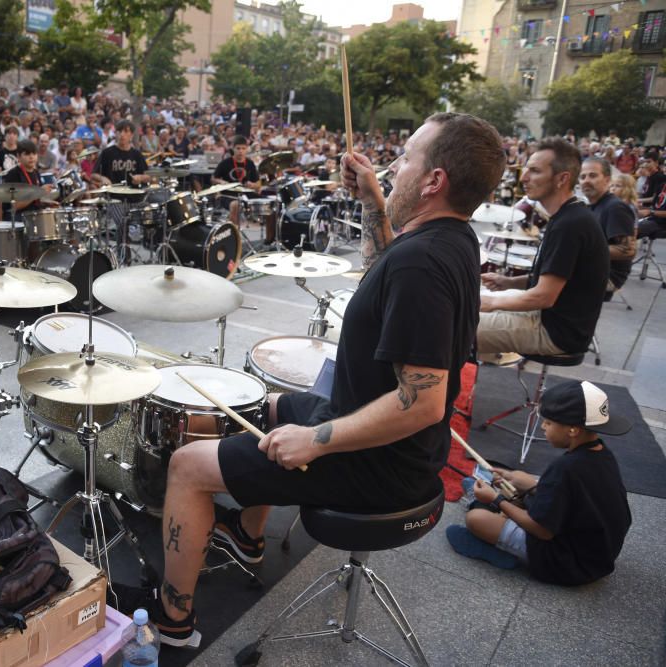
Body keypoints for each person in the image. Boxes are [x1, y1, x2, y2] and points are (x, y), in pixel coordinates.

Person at [149, 113, 505, 646]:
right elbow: (389, 267)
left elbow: (423, 404)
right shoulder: (449, 240)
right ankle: (248, 537)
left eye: (407, 157)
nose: (394, 166)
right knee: (261, 405)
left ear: (434, 181)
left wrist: (314, 440)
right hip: (374, 430)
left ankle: (171, 621)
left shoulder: (423, 265)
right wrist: (372, 202)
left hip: (378, 465)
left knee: (187, 465)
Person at [446, 380, 631, 586]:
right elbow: (570, 495)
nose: (542, 427)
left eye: (548, 423)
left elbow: (542, 530)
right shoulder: (602, 454)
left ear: (572, 430)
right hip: (595, 555)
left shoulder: (565, 468)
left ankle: (493, 541)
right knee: (520, 483)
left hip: (566, 564)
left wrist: (497, 500)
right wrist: (526, 482)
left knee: (476, 519)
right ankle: (484, 500)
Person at [478, 139, 609, 357]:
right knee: (460, 314)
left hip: (555, 332)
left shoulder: (570, 225)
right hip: (551, 319)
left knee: (452, 326)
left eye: (535, 171)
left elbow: (543, 297)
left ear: (562, 179)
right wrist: (509, 282)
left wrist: (490, 302)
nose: (524, 177)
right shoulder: (569, 216)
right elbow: (555, 280)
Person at [579, 158, 636, 295]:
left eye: (593, 175)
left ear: (607, 179)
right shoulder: (593, 205)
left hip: (607, 276)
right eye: (582, 177)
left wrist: (580, 250)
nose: (586, 180)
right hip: (591, 268)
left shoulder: (615, 207)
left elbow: (628, 250)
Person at [211, 135, 261, 226]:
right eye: (238, 148)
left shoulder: (250, 163)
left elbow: (258, 183)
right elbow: (213, 178)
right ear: (233, 148)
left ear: (247, 149)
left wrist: (252, 185)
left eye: (243, 148)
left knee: (273, 204)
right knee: (235, 205)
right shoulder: (225, 163)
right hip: (228, 195)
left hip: (246, 193)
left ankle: (270, 238)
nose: (240, 151)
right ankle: (234, 234)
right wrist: (221, 182)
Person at [0, 139, 56, 220]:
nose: (31, 157)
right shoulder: (13, 174)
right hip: (18, 220)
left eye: (34, 153)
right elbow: (15, 205)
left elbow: (34, 200)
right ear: (18, 156)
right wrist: (38, 192)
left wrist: (47, 203)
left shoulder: (36, 172)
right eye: (27, 154)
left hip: (33, 216)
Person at [93, 120, 149, 187]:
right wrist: (103, 178)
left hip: (134, 194)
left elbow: (148, 176)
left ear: (131, 135)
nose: (122, 134)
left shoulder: (137, 154)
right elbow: (94, 174)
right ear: (115, 134)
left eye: (126, 131)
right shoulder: (107, 153)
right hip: (112, 194)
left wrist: (140, 178)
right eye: (119, 131)